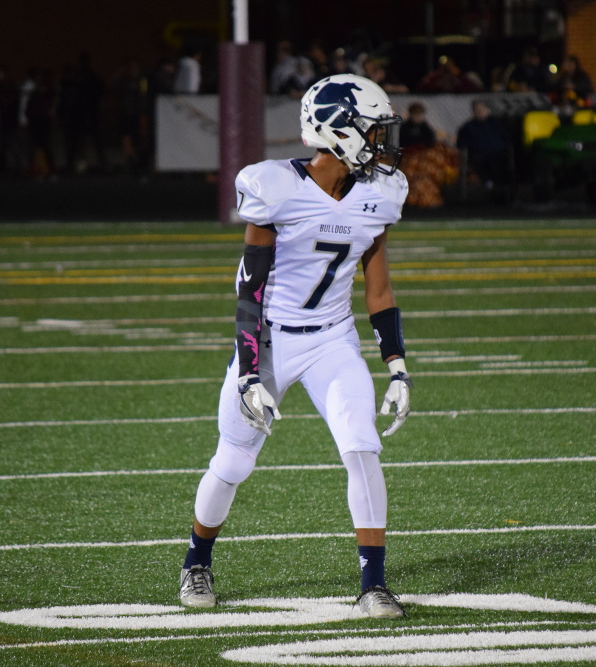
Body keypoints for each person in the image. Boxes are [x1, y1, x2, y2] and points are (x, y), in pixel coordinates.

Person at [178, 73, 411, 619]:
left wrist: (397, 366)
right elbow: (250, 287)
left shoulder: (380, 194)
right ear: (339, 131)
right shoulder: (273, 186)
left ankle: (373, 583)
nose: (382, 143)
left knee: (361, 446)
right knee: (233, 460)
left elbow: (378, 287)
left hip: (332, 341)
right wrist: (249, 373)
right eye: (372, 131)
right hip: (270, 339)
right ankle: (196, 561)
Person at [456, 99, 512, 191]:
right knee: (478, 161)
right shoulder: (467, 127)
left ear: (487, 109)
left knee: (500, 162)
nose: (480, 111)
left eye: (482, 108)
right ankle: (489, 183)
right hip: (478, 155)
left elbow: (507, 139)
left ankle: (500, 187)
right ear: (473, 111)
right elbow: (461, 143)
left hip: (499, 154)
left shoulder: (497, 123)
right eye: (477, 109)